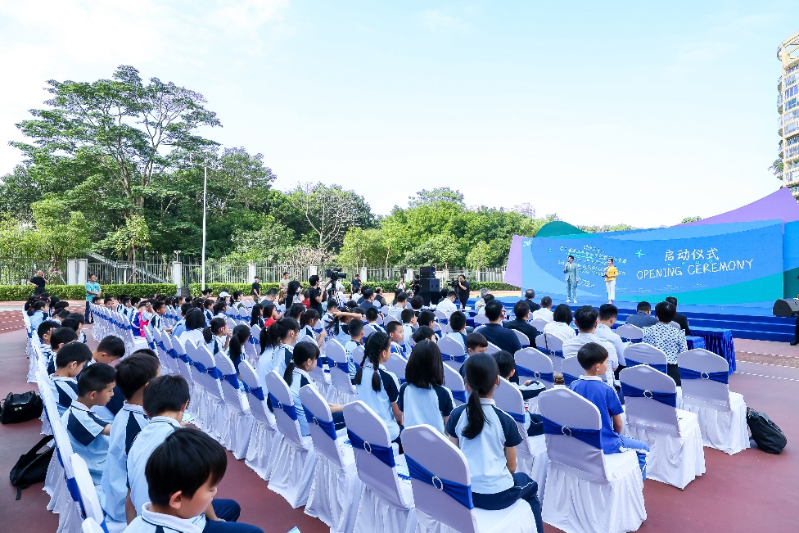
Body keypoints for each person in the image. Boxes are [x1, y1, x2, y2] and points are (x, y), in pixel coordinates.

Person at [445, 354, 543, 532]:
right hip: (498, 496)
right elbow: (511, 467)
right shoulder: (505, 420)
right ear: (497, 381)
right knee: (530, 485)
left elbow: (454, 457)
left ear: (466, 383)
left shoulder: (457, 415)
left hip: (466, 493)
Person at [124, 428, 264, 533]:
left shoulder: (136, 525)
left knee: (231, 507)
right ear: (177, 499)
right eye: (210, 489)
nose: (215, 492)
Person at [571, 343, 649, 477]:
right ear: (597, 367)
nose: (608, 364)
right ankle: (639, 484)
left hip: (583, 441)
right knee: (644, 449)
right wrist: (615, 437)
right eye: (606, 362)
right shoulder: (607, 389)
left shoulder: (573, 386)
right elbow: (618, 423)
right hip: (606, 443)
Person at [100, 352, 160, 524]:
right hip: (130, 508)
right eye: (160, 379)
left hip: (115, 496)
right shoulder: (142, 429)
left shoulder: (124, 413)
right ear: (148, 387)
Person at [62, 363, 115, 483]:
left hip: (94, 460)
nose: (112, 394)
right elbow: (113, 430)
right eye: (110, 391)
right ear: (93, 395)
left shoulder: (77, 410)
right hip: (99, 471)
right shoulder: (81, 417)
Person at [284, 342, 345, 436]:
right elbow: (322, 411)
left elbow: (319, 405)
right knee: (350, 416)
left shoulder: (292, 374)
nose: (317, 361)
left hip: (302, 422)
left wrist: (338, 406)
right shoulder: (305, 385)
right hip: (311, 426)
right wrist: (342, 408)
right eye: (316, 359)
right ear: (308, 361)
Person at [354, 331, 403, 443]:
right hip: (386, 432)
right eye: (389, 348)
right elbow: (397, 412)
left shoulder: (360, 373)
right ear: (383, 353)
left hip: (365, 430)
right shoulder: (389, 377)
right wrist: (401, 423)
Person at [398, 340, 454, 434]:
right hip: (436, 442)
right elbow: (449, 429)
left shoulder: (404, 389)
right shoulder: (443, 393)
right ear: (437, 365)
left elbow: (404, 415)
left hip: (410, 440)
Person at [562, 306, 618, 384]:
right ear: (596, 324)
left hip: (574, 387)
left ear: (575, 323)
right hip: (602, 388)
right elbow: (614, 367)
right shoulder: (607, 347)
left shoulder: (567, 345)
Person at [493, 350, 545, 427]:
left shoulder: (486, 389)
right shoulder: (515, 390)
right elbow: (541, 387)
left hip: (498, 424)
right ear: (512, 372)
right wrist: (530, 382)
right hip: (523, 426)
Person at [642, 301, 689, 385]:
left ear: (656, 315)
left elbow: (644, 350)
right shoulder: (679, 333)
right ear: (673, 316)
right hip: (672, 373)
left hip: (651, 370)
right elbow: (684, 354)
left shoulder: (646, 331)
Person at [49, 342, 92, 416]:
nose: (82, 368)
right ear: (73, 365)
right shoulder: (69, 387)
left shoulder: (51, 377)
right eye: (82, 365)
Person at [257, 317, 300, 387]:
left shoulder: (272, 349)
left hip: (266, 389)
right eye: (298, 331)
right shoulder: (288, 354)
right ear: (292, 333)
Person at [479, 301, 522, 368]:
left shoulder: (479, 333)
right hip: (506, 369)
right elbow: (519, 354)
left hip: (486, 368)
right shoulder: (510, 334)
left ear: (486, 315)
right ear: (501, 315)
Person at [594, 304, 628, 368]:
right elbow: (623, 361)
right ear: (612, 320)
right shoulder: (614, 338)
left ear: (598, 315)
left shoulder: (589, 332)